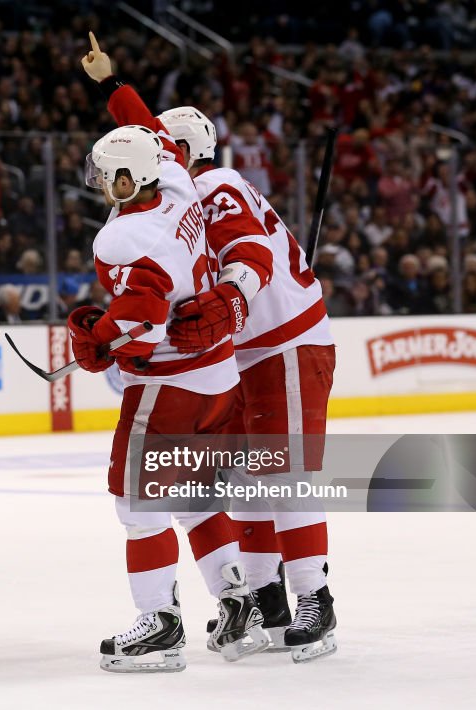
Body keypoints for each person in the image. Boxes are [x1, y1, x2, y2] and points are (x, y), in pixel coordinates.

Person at [75, 33, 268, 674]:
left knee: (135, 501)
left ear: (133, 177)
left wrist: (97, 339)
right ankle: (238, 609)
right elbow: (148, 131)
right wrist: (111, 86)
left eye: (108, 174)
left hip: (169, 383)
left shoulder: (128, 234)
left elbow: (144, 321)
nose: (101, 182)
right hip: (216, 376)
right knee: (190, 496)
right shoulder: (181, 186)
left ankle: (158, 624)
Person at [157, 106, 337, 659]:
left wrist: (230, 297)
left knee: (286, 473)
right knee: (247, 478)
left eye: (166, 154)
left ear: (184, 154)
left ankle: (315, 595)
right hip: (249, 350)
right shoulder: (190, 199)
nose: (159, 165)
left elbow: (247, 257)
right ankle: (268, 599)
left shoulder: (216, 187)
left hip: (286, 341)